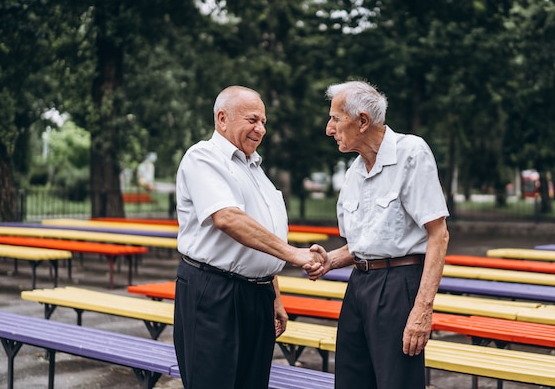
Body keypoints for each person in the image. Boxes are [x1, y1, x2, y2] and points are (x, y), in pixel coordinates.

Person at [173, 85, 326, 389]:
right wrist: (294, 254)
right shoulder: (203, 157)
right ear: (222, 118)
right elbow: (228, 219)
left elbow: (261, 236)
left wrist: (274, 295)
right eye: (253, 120)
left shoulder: (254, 167)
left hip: (257, 296)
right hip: (215, 291)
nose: (261, 129)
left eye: (264, 122)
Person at [309, 80, 450, 389]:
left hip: (400, 285)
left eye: (335, 118)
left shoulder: (411, 153)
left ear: (362, 121)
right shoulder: (354, 172)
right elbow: (361, 246)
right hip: (359, 285)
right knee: (351, 380)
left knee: (396, 382)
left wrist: (422, 310)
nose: (329, 129)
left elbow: (438, 235)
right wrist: (328, 260)